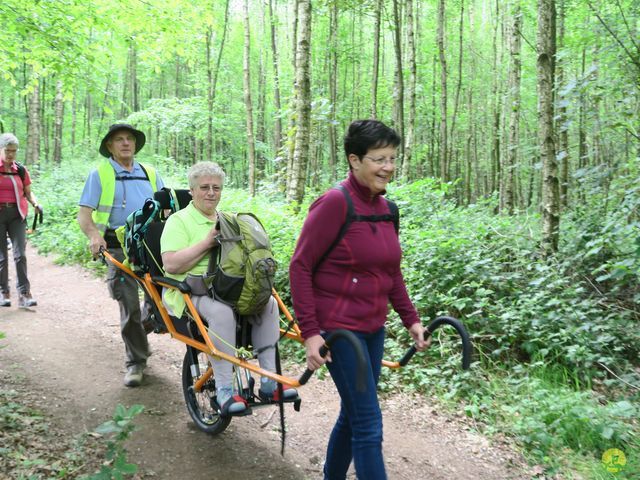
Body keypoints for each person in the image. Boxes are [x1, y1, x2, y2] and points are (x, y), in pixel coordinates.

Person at [289, 119, 430, 480]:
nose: (388, 167)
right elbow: (300, 267)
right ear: (354, 160)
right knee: (369, 423)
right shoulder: (335, 203)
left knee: (354, 416)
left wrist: (411, 319)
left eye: (392, 158)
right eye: (379, 158)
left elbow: (390, 272)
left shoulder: (387, 209)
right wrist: (311, 333)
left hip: (372, 329)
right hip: (340, 332)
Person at [160, 161, 297, 416]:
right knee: (222, 312)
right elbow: (171, 263)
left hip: (225, 288)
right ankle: (224, 390)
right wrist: (206, 243)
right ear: (192, 190)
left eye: (216, 187)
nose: (211, 192)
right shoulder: (179, 221)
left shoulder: (229, 221)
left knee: (267, 303)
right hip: (189, 291)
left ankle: (269, 381)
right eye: (204, 187)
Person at [78, 123, 164, 387]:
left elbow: (166, 208)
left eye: (129, 139)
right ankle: (136, 362)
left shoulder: (150, 173)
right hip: (117, 247)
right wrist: (95, 236)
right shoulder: (100, 173)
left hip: (150, 246)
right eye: (119, 140)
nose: (126, 143)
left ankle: (145, 326)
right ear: (110, 146)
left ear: (135, 144)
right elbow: (84, 214)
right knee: (128, 304)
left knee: (163, 299)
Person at [0, 133, 42, 308]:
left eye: (14, 151)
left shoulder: (21, 170)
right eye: (8, 151)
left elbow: (28, 191)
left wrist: (36, 203)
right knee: (1, 257)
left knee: (20, 255)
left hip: (17, 215)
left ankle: (24, 294)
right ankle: (3, 292)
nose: (11, 154)